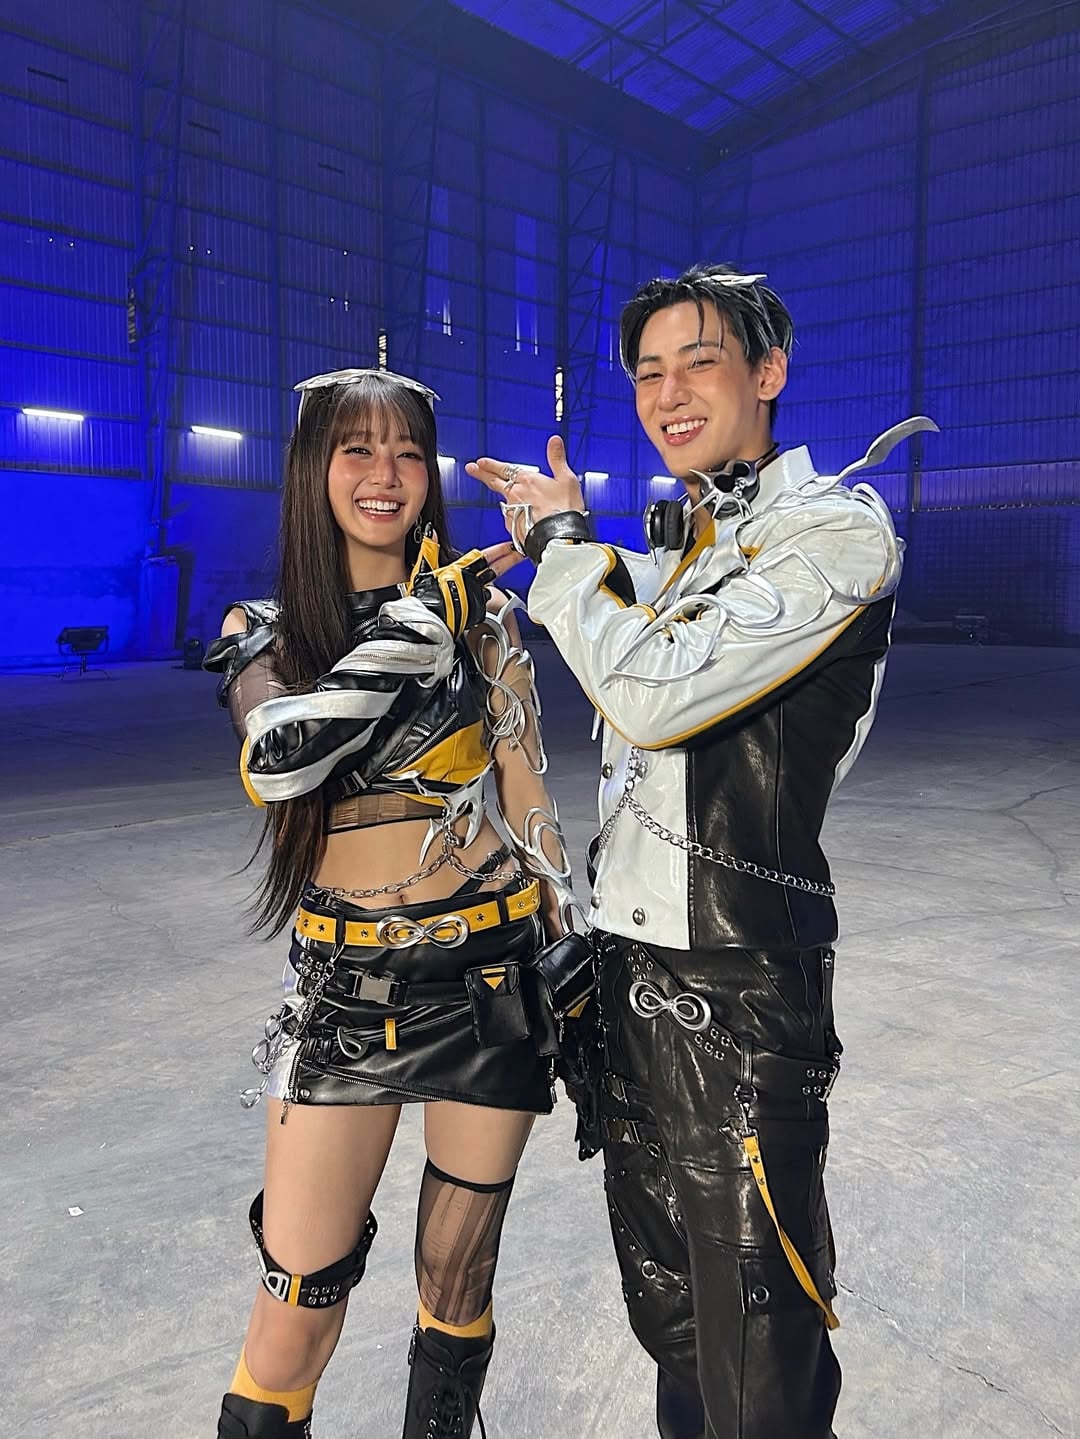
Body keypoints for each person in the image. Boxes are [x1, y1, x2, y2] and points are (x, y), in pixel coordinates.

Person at [468, 263, 934, 1439]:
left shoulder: (833, 528)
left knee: (756, 1349)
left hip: (737, 993)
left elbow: (654, 689)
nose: (669, 393)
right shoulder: (693, 543)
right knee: (678, 1325)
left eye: (700, 362)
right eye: (648, 373)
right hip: (635, 981)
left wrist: (565, 547)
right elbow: (628, 632)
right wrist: (566, 548)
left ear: (768, 372)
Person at [204, 367, 578, 1439]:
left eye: (408, 451)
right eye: (357, 449)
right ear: (312, 469)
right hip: (346, 997)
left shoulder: (486, 617)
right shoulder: (264, 628)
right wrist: (417, 626)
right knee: (295, 1304)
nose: (386, 473)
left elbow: (527, 791)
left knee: (457, 1287)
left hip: (489, 983)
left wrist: (571, 934)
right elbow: (279, 756)